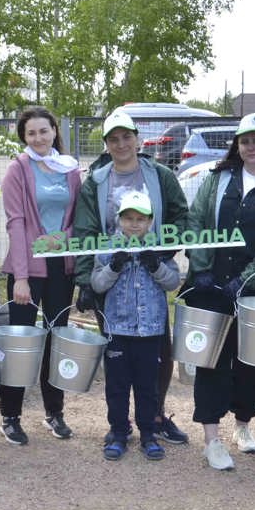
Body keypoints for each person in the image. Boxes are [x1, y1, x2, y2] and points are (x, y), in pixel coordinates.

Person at [184, 113, 255, 471]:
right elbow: (197, 222)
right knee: (211, 360)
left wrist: (246, 279)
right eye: (244, 140)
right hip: (211, 284)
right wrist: (201, 267)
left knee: (251, 362)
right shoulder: (217, 179)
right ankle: (211, 440)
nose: (250, 146)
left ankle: (244, 424)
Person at [72, 109, 190, 446]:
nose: (121, 143)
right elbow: (86, 231)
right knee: (118, 357)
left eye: (127, 136)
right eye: (114, 138)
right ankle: (119, 426)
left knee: (158, 352)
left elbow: (181, 217)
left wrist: (162, 255)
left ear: (137, 139)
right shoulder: (96, 181)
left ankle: (154, 416)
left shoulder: (160, 175)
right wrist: (85, 280)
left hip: (151, 279)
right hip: (111, 274)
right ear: (106, 144)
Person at [0, 107, 81, 445]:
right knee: (19, 345)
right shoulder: (17, 170)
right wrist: (19, 277)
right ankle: (10, 416)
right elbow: (15, 224)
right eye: (31, 133)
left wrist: (67, 241)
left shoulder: (70, 168)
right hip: (27, 272)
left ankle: (54, 412)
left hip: (61, 270)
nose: (38, 138)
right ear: (24, 137)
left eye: (43, 131)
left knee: (56, 342)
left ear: (53, 131)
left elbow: (77, 215)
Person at [90, 190, 182, 461]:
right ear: (119, 220)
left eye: (140, 219)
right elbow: (97, 284)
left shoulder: (159, 249)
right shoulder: (108, 249)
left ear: (150, 221)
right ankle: (118, 433)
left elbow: (172, 282)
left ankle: (148, 433)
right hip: (117, 330)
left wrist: (156, 266)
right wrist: (113, 267)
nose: (134, 224)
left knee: (147, 385)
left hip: (149, 330)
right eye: (128, 218)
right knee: (117, 385)